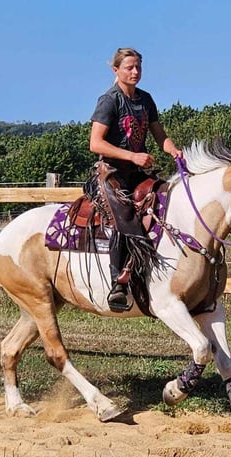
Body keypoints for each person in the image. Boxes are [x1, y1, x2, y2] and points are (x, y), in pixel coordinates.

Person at [89, 47, 182, 311]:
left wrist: (173, 149)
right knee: (125, 218)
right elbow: (95, 143)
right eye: (129, 67)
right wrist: (133, 156)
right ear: (115, 70)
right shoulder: (110, 100)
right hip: (112, 175)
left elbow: (159, 135)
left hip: (137, 173)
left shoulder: (145, 99)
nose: (135, 72)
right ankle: (118, 283)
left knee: (168, 200)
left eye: (138, 67)